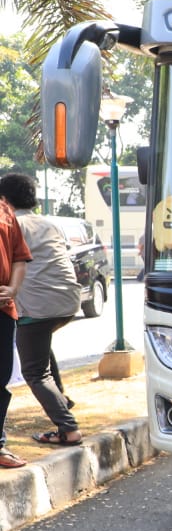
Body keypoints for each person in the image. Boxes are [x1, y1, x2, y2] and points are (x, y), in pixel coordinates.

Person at [0, 175, 82, 447]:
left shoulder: (12, 224)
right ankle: (62, 400)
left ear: (5, 200)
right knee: (40, 351)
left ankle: (68, 430)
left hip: (37, 308)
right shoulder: (47, 223)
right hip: (68, 302)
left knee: (34, 372)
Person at [0, 194, 31, 469]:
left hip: (2, 309)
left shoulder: (5, 210)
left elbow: (19, 259)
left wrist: (12, 289)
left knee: (1, 377)